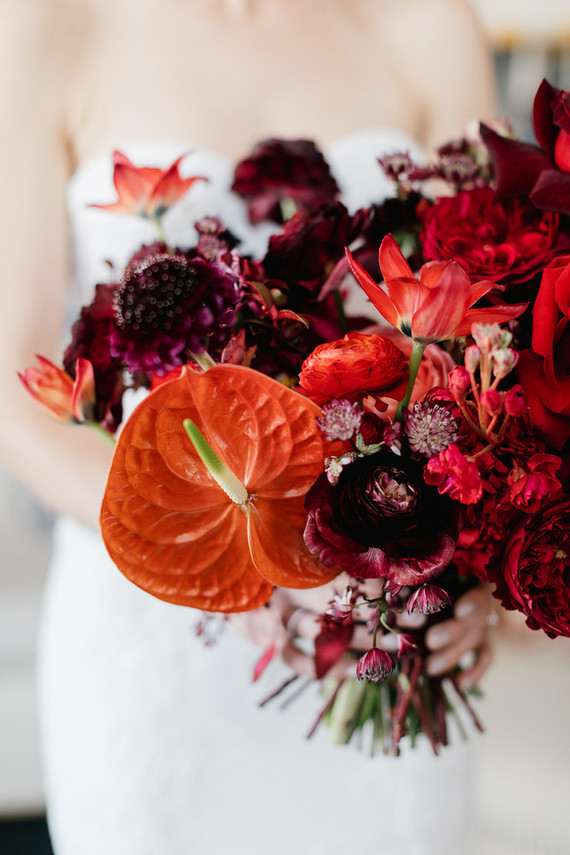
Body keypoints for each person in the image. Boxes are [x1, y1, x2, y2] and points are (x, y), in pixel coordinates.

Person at [1, 1, 497, 853]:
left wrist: (475, 559)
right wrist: (244, 554)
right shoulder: (51, 24)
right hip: (149, 639)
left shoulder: (431, 25)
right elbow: (14, 397)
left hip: (378, 620)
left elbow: (487, 345)